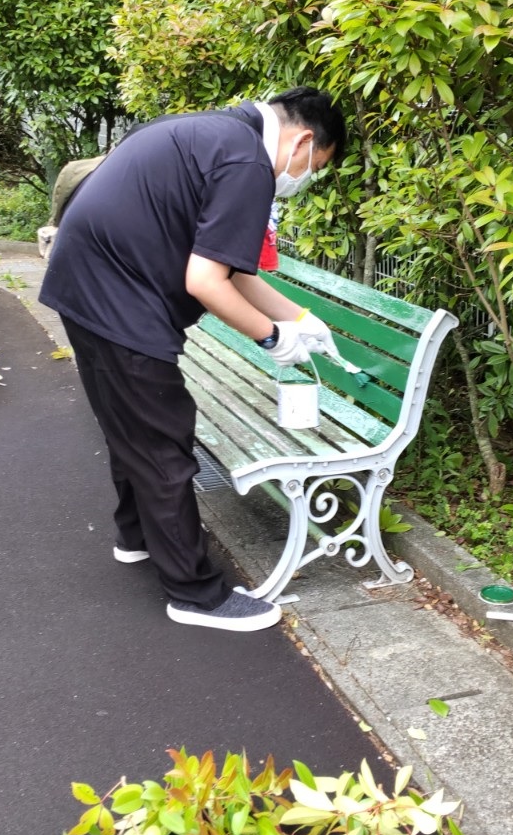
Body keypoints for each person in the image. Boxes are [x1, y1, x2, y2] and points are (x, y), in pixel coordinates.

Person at [38, 89, 352, 632]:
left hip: (83, 283)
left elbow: (234, 269)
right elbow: (206, 283)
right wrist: (274, 340)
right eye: (314, 167)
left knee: (130, 424)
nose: (303, 178)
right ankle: (194, 594)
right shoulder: (247, 163)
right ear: (304, 140)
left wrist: (300, 319)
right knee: (163, 435)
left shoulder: (211, 132)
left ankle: (138, 537)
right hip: (120, 300)